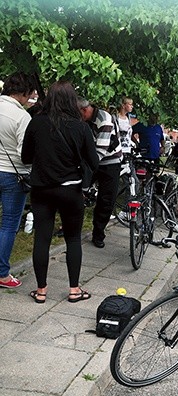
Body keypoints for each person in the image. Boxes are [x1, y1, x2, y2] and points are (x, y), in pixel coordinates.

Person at [21, 81, 99, 304]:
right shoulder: (81, 127)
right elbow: (94, 162)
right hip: (70, 190)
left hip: (42, 189)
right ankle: (74, 290)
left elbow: (26, 157)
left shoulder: (36, 123)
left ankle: (41, 290)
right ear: (72, 101)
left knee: (42, 238)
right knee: (73, 239)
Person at [0, 73, 37, 289]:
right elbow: (25, 153)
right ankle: (2, 273)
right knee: (8, 224)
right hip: (14, 175)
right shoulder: (22, 117)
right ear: (23, 93)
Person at [78, 97, 123, 248]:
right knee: (76, 191)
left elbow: (101, 150)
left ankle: (98, 234)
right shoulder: (85, 120)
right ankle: (70, 227)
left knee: (106, 200)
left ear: (85, 110)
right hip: (93, 159)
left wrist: (86, 170)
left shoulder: (104, 119)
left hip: (110, 162)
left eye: (78, 114)